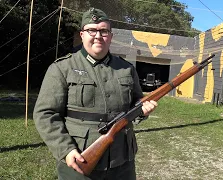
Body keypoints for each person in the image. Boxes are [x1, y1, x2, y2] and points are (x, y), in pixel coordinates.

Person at [33, 7, 158, 180]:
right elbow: (45, 114)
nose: (98, 36)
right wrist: (66, 150)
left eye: (104, 31)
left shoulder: (127, 69)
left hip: (122, 163)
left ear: (111, 36)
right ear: (82, 34)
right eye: (92, 30)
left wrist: (143, 110)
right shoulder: (62, 68)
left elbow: (136, 103)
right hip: (79, 160)